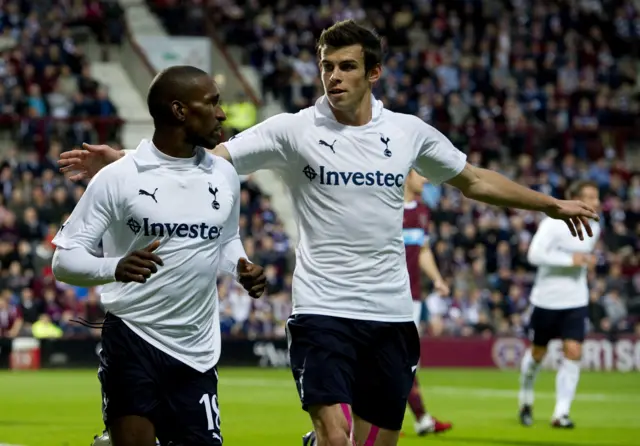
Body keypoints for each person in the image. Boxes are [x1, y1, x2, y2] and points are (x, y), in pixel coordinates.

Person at [59, 21, 597, 446]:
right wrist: (128, 161)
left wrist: (548, 204)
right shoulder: (294, 129)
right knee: (337, 436)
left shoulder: (407, 134)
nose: (333, 76)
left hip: (390, 312)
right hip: (321, 309)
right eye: (326, 66)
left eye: (346, 66)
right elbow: (206, 159)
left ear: (374, 73)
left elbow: (474, 180)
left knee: (375, 441)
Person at [52, 65, 266, 446]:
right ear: (180, 111)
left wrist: (240, 267)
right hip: (133, 339)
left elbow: (226, 239)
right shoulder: (118, 177)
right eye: (212, 102)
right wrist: (113, 267)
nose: (221, 113)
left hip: (196, 349)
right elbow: (64, 261)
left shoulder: (224, 175)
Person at [518, 180, 601, 429]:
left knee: (574, 352)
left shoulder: (595, 226)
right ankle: (525, 400)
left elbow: (583, 258)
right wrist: (570, 259)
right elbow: (533, 254)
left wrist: (587, 262)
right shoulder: (552, 223)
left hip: (576, 300)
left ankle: (561, 413)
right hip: (546, 300)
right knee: (537, 354)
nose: (593, 202)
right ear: (573, 198)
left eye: (596, 197)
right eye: (587, 196)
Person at [403, 170, 453, 436]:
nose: (425, 180)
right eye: (420, 174)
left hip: (412, 297)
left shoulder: (422, 211)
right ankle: (414, 419)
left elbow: (422, 250)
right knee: (396, 360)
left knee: (406, 361)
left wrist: (437, 279)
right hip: (380, 295)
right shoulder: (384, 206)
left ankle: (415, 419)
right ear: (406, 175)